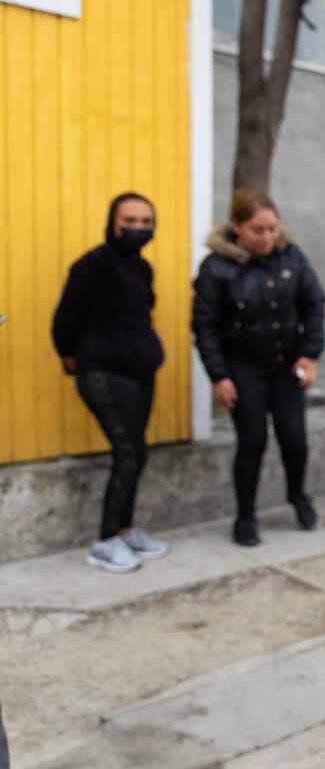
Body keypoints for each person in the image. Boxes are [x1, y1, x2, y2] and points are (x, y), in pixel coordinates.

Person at [192, 190, 325, 546]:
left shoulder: (291, 257)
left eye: (271, 228)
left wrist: (310, 355)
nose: (266, 237)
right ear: (236, 228)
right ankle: (246, 515)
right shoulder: (216, 268)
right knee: (252, 442)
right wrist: (218, 376)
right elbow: (205, 327)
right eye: (256, 229)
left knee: (294, 439)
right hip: (243, 367)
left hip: (287, 364)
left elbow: (314, 304)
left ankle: (298, 496)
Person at [52, 192, 170, 573]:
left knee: (137, 453)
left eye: (146, 222)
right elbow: (66, 317)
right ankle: (105, 541)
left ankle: (125, 529)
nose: (138, 228)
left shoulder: (142, 268)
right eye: (130, 220)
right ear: (112, 221)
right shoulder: (92, 265)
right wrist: (69, 354)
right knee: (129, 452)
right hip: (102, 370)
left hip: (140, 371)